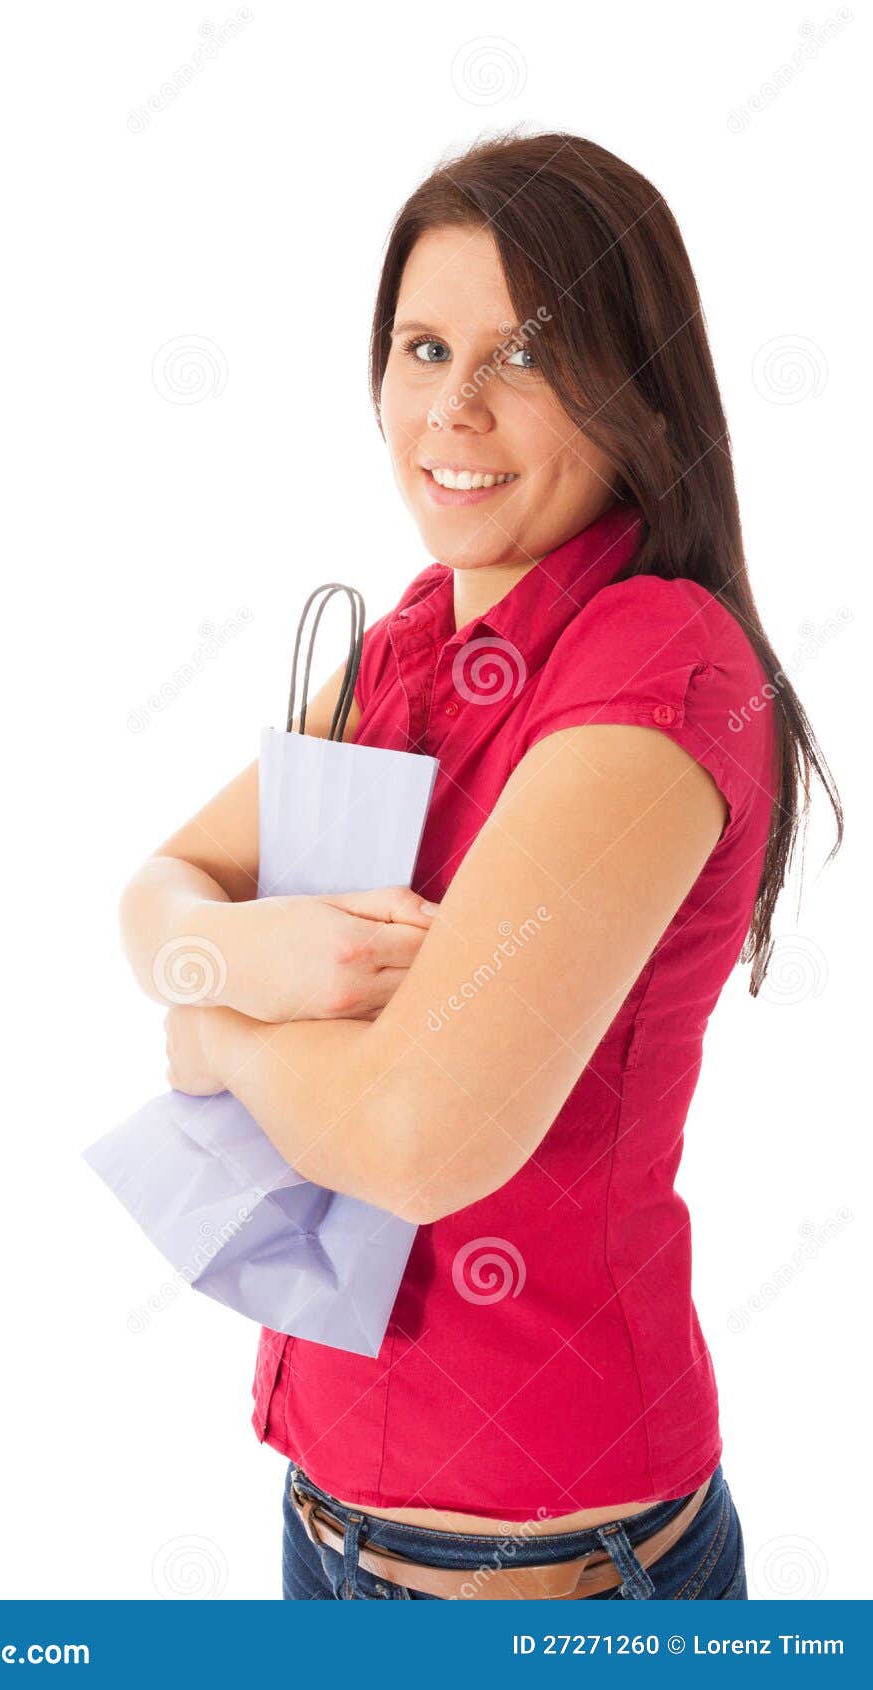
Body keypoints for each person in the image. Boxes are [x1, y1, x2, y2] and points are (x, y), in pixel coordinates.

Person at [118, 131, 842, 1600]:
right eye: (423, 345)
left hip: (538, 1571)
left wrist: (209, 1028)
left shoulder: (660, 665)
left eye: (521, 354)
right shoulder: (409, 647)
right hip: (327, 1517)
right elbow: (157, 896)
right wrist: (272, 961)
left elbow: (415, 1136)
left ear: (633, 388)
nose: (453, 407)